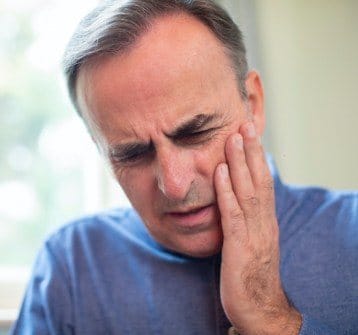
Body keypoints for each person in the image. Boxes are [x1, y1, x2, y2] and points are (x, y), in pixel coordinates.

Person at [11, 0, 357, 334]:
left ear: (252, 104)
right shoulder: (71, 266)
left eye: (196, 132)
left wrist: (271, 320)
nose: (175, 185)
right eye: (132, 153)